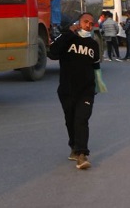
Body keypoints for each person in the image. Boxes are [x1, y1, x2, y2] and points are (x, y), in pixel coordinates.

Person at [48, 13, 102, 170]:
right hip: (67, 90)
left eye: (91, 24)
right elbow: (52, 53)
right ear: (78, 23)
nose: (88, 26)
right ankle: (74, 146)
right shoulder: (67, 39)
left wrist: (98, 85)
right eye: (85, 22)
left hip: (86, 90)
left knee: (81, 120)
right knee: (70, 120)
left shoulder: (93, 44)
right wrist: (68, 33)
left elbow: (96, 66)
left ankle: (82, 154)